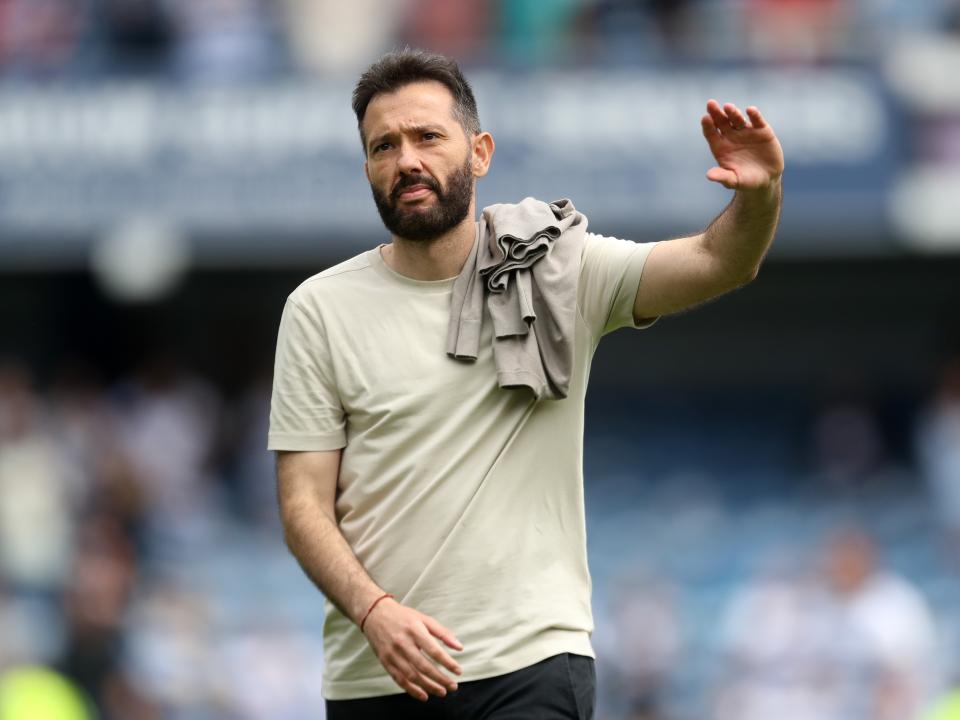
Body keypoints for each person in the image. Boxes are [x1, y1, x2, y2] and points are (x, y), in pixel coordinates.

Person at [268, 48, 784, 719]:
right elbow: (304, 506)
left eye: (428, 137)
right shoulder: (319, 308)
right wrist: (374, 613)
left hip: (530, 666)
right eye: (383, 146)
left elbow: (720, 260)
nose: (407, 161)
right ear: (367, 167)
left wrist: (761, 193)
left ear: (479, 152)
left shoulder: (556, 268)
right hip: (376, 675)